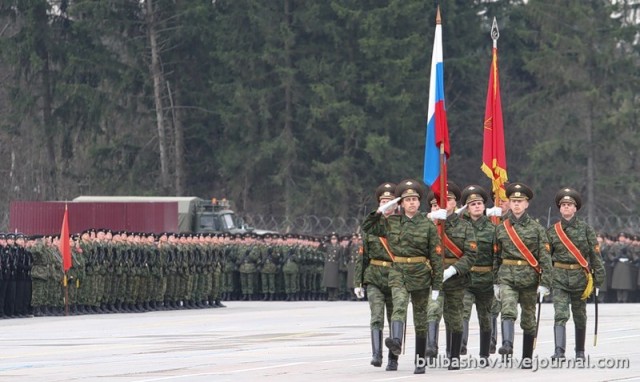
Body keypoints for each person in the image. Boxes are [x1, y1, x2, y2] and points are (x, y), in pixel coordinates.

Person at [361, 178, 443, 374]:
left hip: (421, 274)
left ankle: (420, 360)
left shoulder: (427, 224)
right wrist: (380, 211)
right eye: (407, 200)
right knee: (398, 306)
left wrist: (437, 285)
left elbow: (436, 256)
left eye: (415, 199)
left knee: (420, 318)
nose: (412, 203)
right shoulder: (392, 223)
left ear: (419, 201)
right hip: (398, 272)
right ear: (401, 203)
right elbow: (368, 227)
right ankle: (396, 341)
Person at [493, 182, 552, 369]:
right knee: (508, 309)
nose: (517, 204)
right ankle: (507, 345)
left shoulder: (537, 229)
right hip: (507, 277)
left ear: (527, 204)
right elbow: (496, 256)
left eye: (520, 201)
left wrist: (545, 283)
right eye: (513, 201)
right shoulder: (501, 228)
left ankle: (527, 357)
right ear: (509, 204)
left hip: (529, 278)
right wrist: (496, 282)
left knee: (528, 319)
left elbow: (545, 257)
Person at [547, 188, 605, 360]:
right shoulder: (552, 231)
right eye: (563, 205)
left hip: (580, 279)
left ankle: (580, 351)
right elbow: (546, 257)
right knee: (560, 314)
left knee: (580, 315)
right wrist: (545, 279)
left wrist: (598, 281)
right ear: (559, 208)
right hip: (559, 277)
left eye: (569, 205)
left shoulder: (586, 230)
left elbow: (595, 256)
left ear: (575, 208)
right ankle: (559, 350)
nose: (566, 208)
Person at [424, 182, 478, 370]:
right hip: (433, 277)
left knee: (454, 318)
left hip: (456, 279)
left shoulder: (465, 227)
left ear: (455, 203)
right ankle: (430, 347)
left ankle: (453, 356)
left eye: (449, 199)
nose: (445, 203)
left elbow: (471, 254)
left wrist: (453, 270)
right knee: (432, 310)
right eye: (440, 200)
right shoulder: (428, 225)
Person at [354, 182, 398, 370]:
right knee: (377, 316)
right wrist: (358, 282)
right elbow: (362, 257)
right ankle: (377, 354)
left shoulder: (403, 225)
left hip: (396, 277)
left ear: (396, 204)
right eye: (383, 201)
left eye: (389, 201)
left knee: (395, 318)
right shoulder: (371, 227)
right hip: (374, 277)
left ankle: (393, 358)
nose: (386, 205)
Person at [459, 185, 495, 360]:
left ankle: (484, 353)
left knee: (485, 316)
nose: (477, 206)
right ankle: (462, 345)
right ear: (467, 207)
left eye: (479, 203)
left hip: (486, 279)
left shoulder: (492, 228)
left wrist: (497, 280)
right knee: (463, 311)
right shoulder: (461, 227)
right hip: (466, 278)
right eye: (472, 204)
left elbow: (497, 255)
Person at [322, 233, 341, 301]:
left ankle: (335, 296)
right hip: (329, 265)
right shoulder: (328, 246)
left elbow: (340, 257)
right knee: (329, 282)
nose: (333, 240)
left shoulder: (339, 247)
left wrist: (340, 265)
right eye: (332, 239)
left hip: (335, 265)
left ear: (337, 240)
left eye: (335, 239)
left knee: (335, 282)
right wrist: (324, 241)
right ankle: (330, 296)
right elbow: (320, 248)